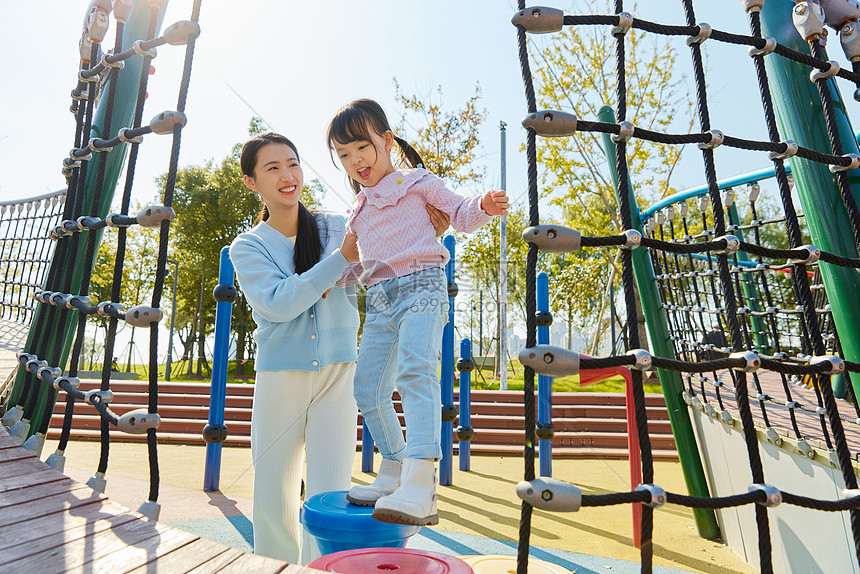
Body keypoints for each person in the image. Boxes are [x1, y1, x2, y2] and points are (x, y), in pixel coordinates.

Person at [230, 132, 450, 564]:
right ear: (252, 182)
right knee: (274, 491)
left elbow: (396, 242)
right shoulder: (248, 246)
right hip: (281, 376)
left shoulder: (340, 223)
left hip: (339, 376)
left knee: (329, 493)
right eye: (272, 168)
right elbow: (278, 304)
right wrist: (340, 259)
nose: (287, 175)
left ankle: (321, 568)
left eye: (293, 164)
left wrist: (428, 224)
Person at [326, 99, 509, 527]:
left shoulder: (417, 182)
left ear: (387, 141)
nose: (355, 161)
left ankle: (421, 484)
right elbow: (356, 263)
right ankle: (392, 470)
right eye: (344, 156)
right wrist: (329, 281)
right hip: (381, 300)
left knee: (415, 370)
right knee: (368, 387)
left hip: (423, 286)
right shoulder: (359, 210)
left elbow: (460, 214)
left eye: (361, 148)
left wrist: (483, 203)